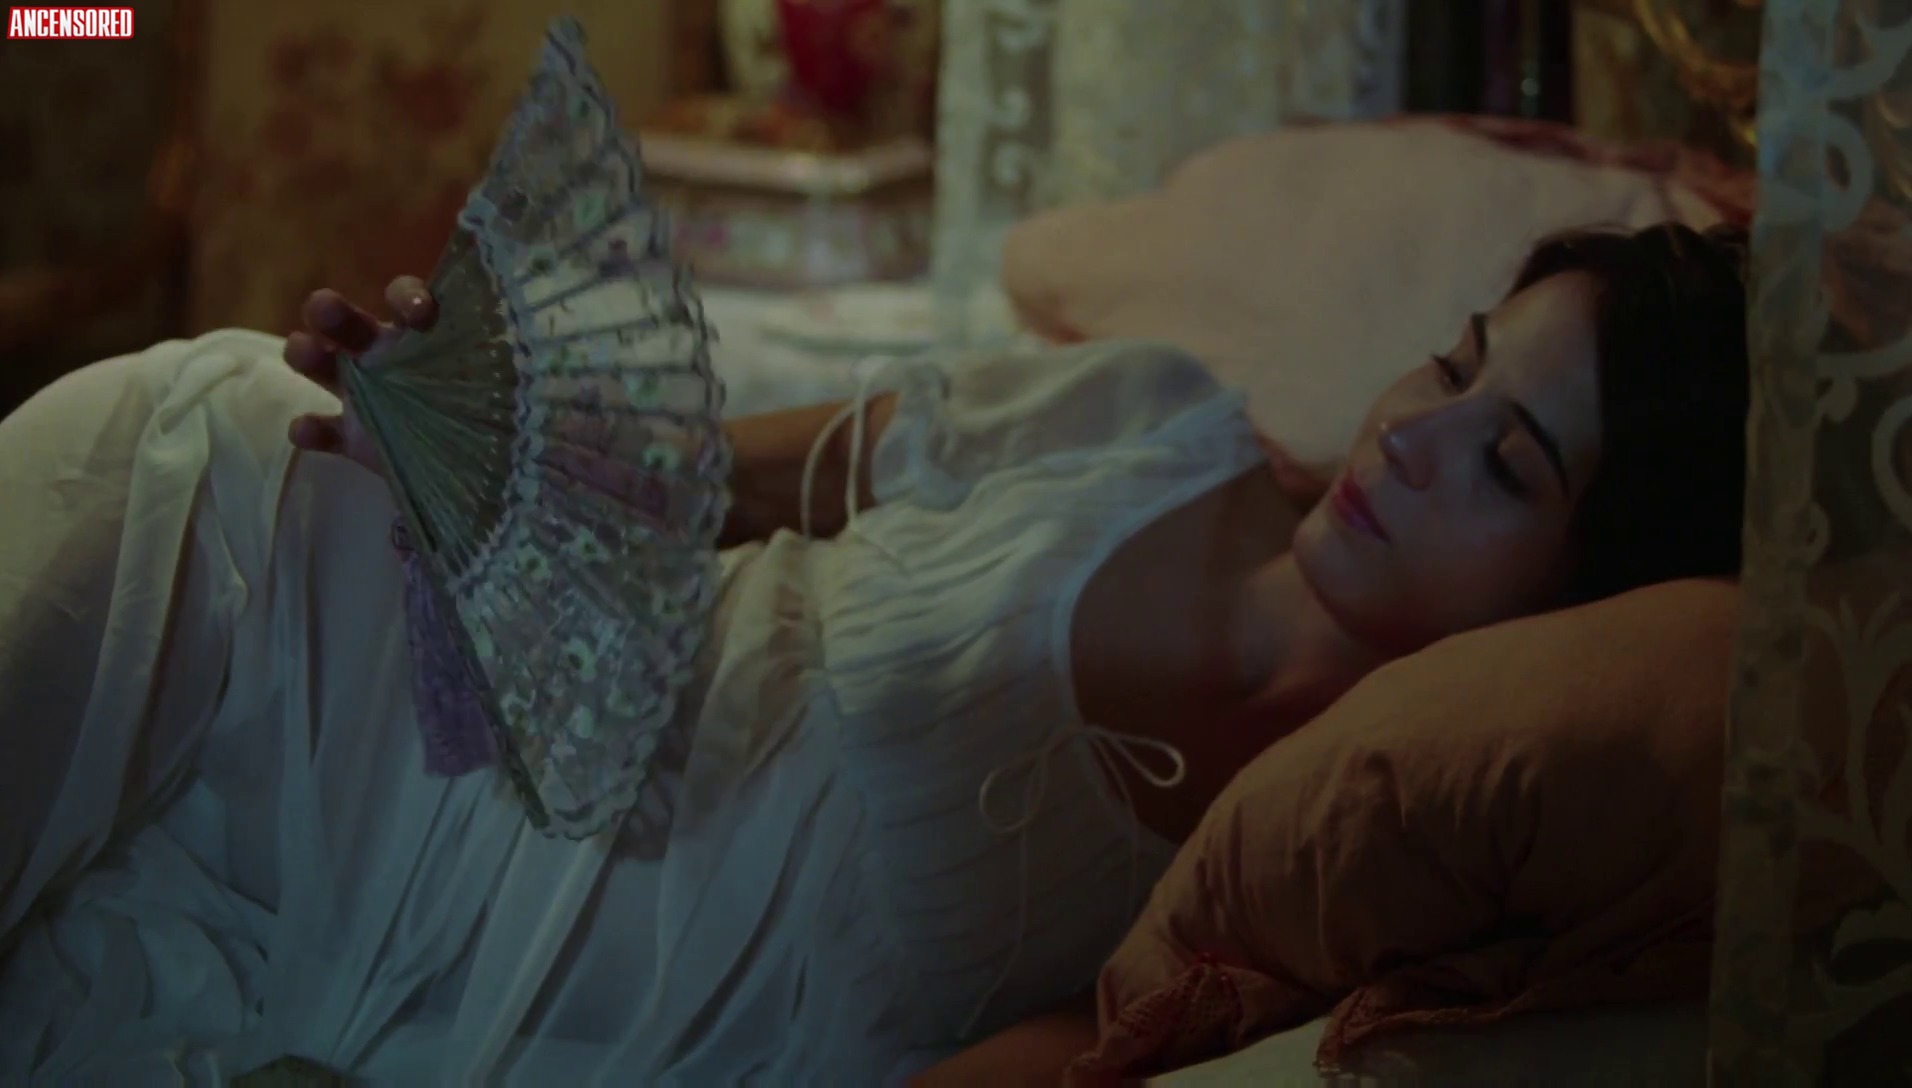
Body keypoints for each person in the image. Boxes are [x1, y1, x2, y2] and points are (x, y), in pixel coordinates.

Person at [0, 221, 1749, 1085]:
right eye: (1456, 363)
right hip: (519, 695)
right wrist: (479, 427)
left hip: (608, 1004)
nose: (1421, 436)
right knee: (215, 441)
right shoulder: (1153, 419)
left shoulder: (1355, 835)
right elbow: (699, 476)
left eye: (1512, 461)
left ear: (1590, 592)